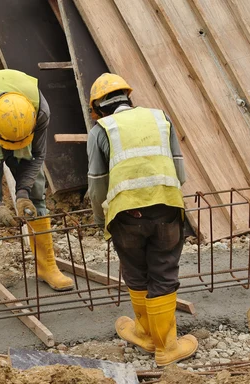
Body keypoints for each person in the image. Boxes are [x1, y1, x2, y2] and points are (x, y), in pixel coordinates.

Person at [86, 73, 197, 366]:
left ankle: (146, 334)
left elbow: (97, 185)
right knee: (163, 271)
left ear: (97, 108)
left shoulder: (101, 131)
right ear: (128, 98)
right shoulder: (161, 118)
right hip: (166, 210)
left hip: (126, 216)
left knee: (135, 270)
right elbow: (180, 173)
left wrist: (101, 220)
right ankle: (166, 347)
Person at [0, 69, 74, 295]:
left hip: (24, 136)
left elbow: (38, 156)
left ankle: (47, 268)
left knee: (36, 197)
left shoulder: (39, 111)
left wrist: (22, 193)